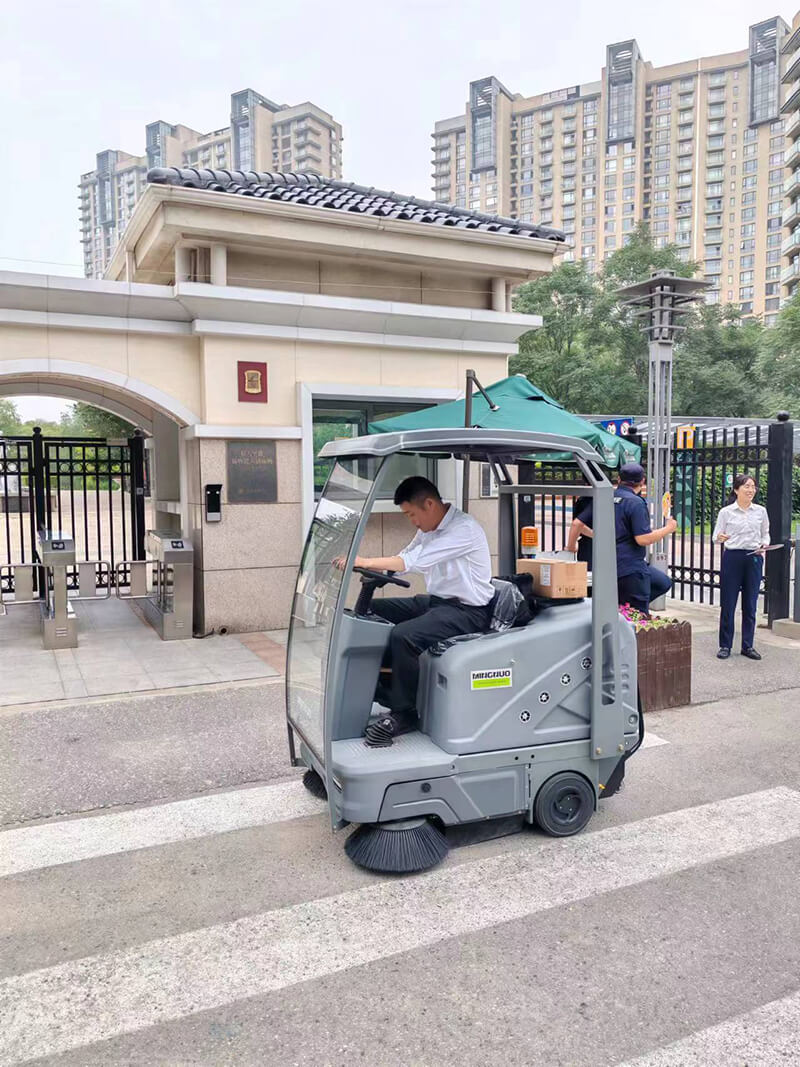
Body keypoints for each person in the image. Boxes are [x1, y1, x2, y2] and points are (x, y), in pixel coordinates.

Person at [336, 476, 494, 742]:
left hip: (468, 612)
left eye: (411, 514)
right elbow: (405, 554)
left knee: (403, 636)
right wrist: (374, 568)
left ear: (429, 504)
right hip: (438, 602)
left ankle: (405, 711)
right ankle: (381, 688)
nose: (412, 521)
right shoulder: (428, 529)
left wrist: (362, 560)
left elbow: (412, 561)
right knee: (374, 610)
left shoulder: (463, 529)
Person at [568, 463, 677, 614]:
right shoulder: (636, 502)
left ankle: (620, 609)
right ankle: (625, 611)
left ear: (619, 479)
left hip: (606, 566)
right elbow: (643, 539)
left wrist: (571, 546)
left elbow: (577, 523)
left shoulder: (605, 497)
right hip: (631, 568)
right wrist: (668, 528)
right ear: (642, 481)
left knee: (662, 582)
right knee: (636, 618)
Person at [713, 473, 770, 661]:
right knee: (728, 603)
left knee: (750, 604)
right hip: (733, 557)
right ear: (736, 490)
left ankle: (748, 645)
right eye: (746, 486)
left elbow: (766, 534)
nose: (750, 490)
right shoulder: (726, 512)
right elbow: (715, 536)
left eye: (753, 486)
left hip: (753, 557)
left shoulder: (760, 511)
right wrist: (720, 538)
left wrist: (764, 544)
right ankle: (725, 645)